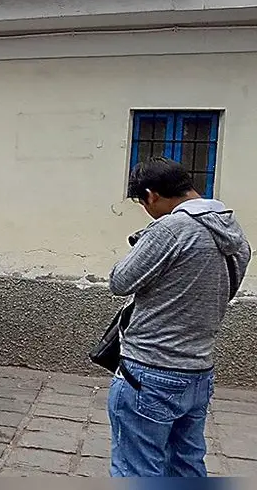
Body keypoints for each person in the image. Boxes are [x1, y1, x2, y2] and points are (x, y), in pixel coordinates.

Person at [108, 157, 250, 477]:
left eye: (143, 202)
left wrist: (144, 243)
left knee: (137, 468)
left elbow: (120, 281)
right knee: (186, 465)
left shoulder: (171, 229)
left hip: (150, 371)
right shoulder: (234, 233)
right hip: (198, 371)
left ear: (151, 194)